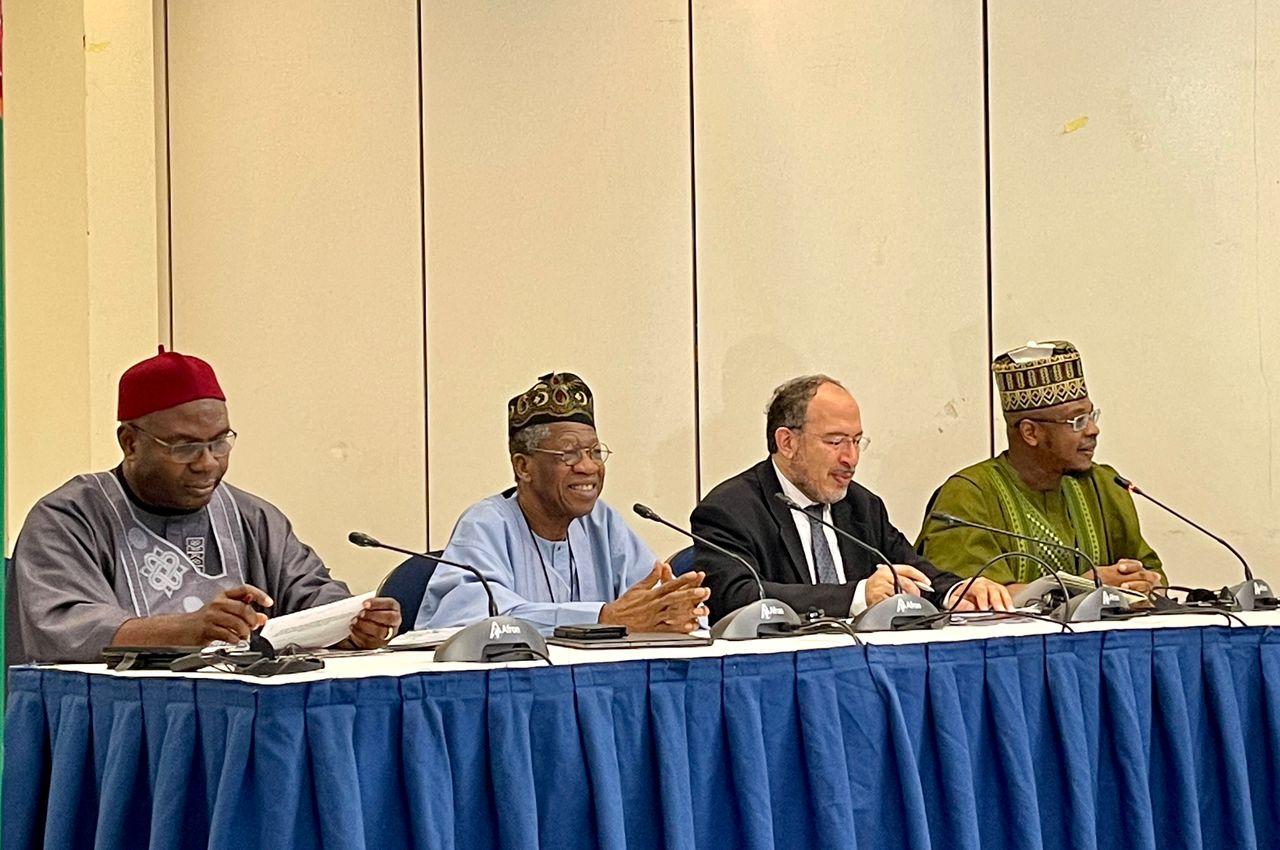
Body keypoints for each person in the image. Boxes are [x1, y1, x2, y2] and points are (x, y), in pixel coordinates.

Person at [8, 347, 400, 663]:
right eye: (185, 447)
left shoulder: (253, 517)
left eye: (219, 442)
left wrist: (355, 623)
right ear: (130, 443)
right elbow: (65, 629)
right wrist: (189, 629)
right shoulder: (68, 518)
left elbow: (310, 593)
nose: (208, 462)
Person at [692, 375, 1011, 623]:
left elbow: (911, 568)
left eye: (857, 441)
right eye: (836, 442)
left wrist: (957, 591)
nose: (851, 458)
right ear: (787, 442)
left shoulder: (862, 506)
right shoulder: (729, 510)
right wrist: (857, 595)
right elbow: (737, 596)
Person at [417, 372, 709, 633]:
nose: (588, 467)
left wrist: (677, 611)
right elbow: (476, 621)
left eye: (595, 452)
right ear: (523, 467)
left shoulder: (602, 522)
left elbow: (653, 604)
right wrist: (603, 618)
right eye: (569, 454)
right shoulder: (486, 524)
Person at [915, 341, 1163, 595]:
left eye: (1091, 416)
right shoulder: (968, 495)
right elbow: (968, 598)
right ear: (1030, 432)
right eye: (1077, 421)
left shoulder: (1104, 484)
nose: (1092, 430)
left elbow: (1154, 576)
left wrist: (1144, 584)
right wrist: (1079, 589)